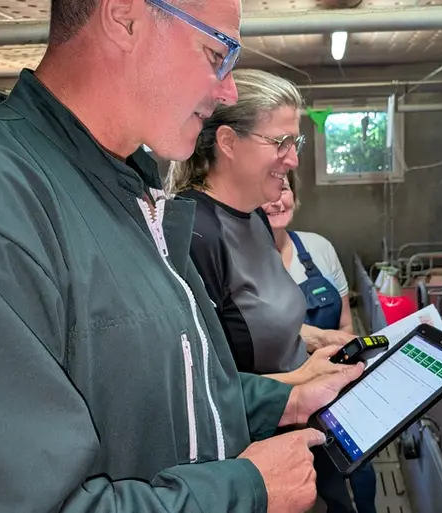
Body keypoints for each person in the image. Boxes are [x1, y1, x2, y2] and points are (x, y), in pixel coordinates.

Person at [0, 0, 364, 511]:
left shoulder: (128, 187)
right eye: (216, 54)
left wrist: (286, 400)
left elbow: (169, 396)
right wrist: (247, 489)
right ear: (125, 18)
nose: (228, 91)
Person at [166, 68, 358, 513]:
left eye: (296, 142)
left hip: (303, 422)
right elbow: (197, 387)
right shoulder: (195, 233)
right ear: (228, 142)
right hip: (256, 451)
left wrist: (321, 339)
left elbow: (252, 318)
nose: (293, 160)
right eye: (281, 142)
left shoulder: (253, 217)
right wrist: (299, 381)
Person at [263, 170, 379, 513]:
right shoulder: (243, 267)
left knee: (362, 475)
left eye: (284, 188)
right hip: (284, 402)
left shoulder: (319, 248)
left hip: (338, 393)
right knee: (322, 491)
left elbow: (345, 324)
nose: (276, 199)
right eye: (266, 189)